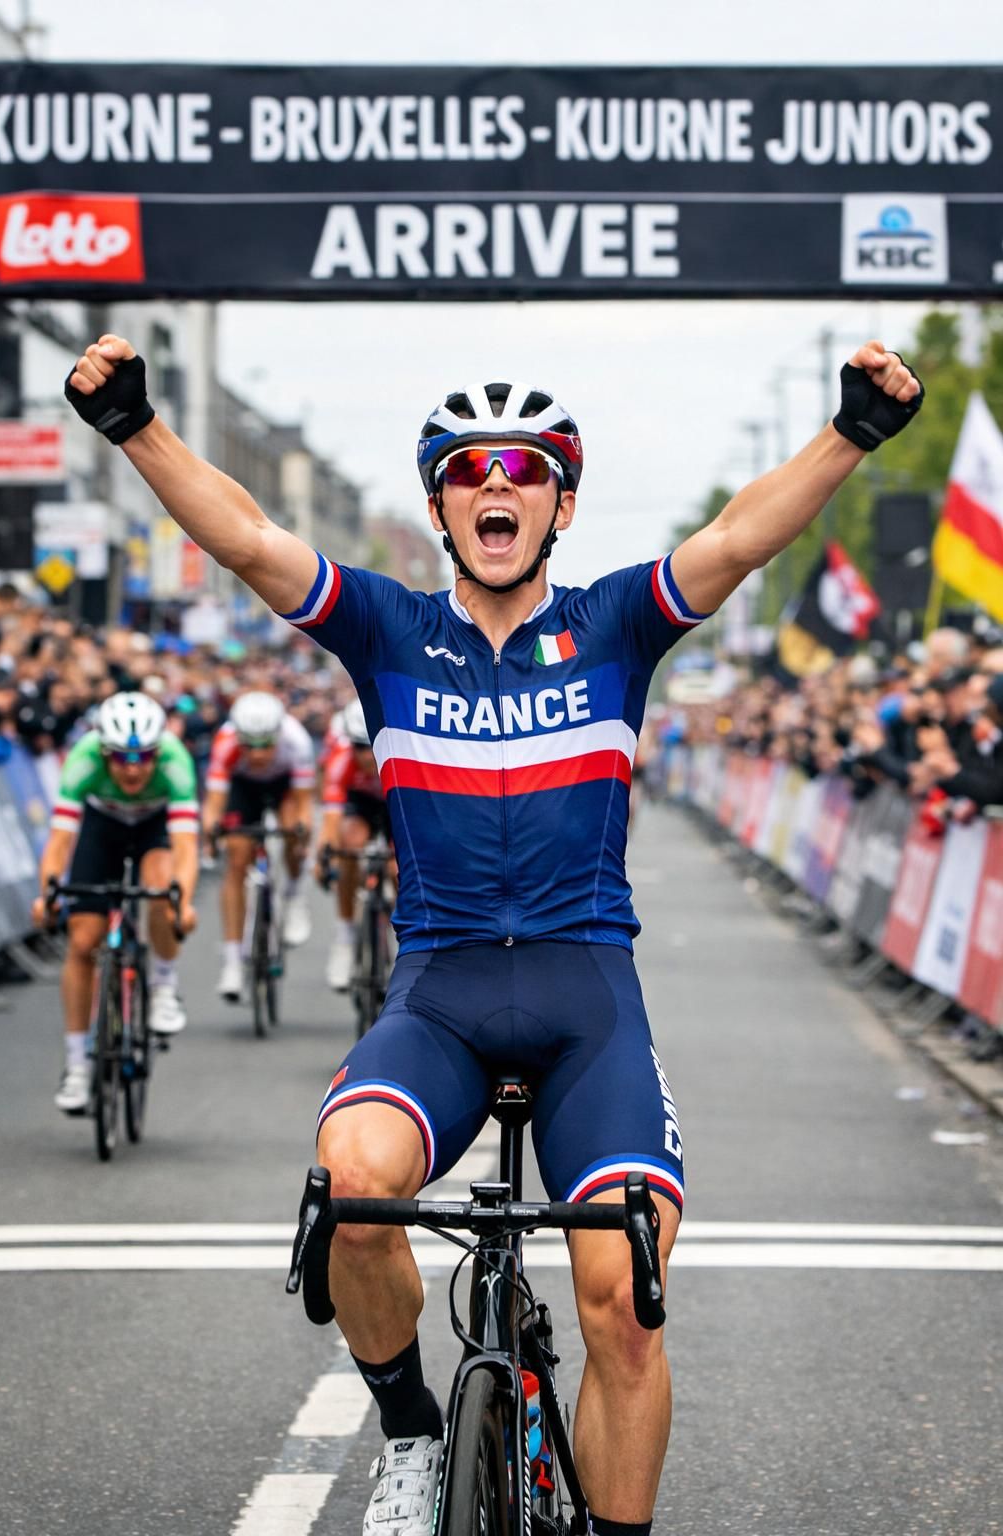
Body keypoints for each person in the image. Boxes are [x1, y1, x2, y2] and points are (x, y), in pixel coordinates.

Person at [65, 335, 923, 1536]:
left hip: (587, 1006)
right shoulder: (386, 629)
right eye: (469, 468)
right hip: (440, 997)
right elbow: (250, 539)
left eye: (524, 467)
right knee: (351, 1190)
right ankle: (414, 1435)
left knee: (621, 1296)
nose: (496, 483)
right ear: (441, 503)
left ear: (559, 502)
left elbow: (737, 538)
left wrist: (850, 436)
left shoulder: (619, 624)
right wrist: (134, 428)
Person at [32, 692, 199, 1115]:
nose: (132, 767)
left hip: (154, 826)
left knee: (162, 888)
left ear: (157, 751)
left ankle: (163, 987)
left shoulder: (176, 763)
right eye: (120, 757)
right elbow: (59, 841)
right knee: (83, 941)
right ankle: (76, 1067)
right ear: (102, 751)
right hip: (101, 825)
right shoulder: (82, 760)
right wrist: (47, 893)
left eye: (143, 756)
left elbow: (185, 848)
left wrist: (185, 901)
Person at [202, 690, 315, 1000]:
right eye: (249, 744)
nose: (257, 753)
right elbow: (214, 802)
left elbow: (305, 802)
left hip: (284, 786)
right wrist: (212, 832)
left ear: (278, 734)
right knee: (237, 859)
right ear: (238, 736)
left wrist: (302, 835)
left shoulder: (297, 741)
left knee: (294, 830)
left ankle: (294, 897)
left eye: (265, 744)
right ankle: (232, 961)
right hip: (244, 788)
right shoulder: (224, 743)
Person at [317, 697, 392, 991]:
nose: (366, 755)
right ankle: (345, 937)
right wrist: (325, 855)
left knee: (401, 868)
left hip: (393, 800)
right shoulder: (340, 761)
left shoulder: (404, 750)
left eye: (372, 744)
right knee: (348, 846)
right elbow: (331, 819)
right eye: (359, 747)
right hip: (359, 804)